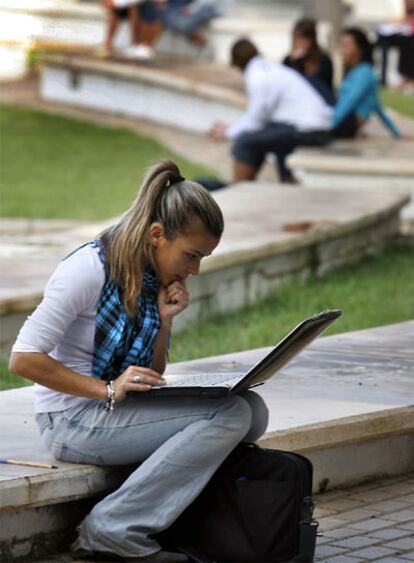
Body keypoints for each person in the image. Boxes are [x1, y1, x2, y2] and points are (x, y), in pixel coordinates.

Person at [9, 160, 269, 562]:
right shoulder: (87, 270)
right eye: (191, 255)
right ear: (156, 235)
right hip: (71, 419)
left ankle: (171, 517)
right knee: (231, 415)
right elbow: (23, 358)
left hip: (114, 408)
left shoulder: (150, 278)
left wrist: (164, 321)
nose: (195, 270)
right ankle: (113, 528)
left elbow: (152, 372)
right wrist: (107, 388)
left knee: (253, 410)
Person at [210, 38, 333, 184]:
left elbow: (256, 120)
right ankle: (253, 186)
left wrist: (228, 132)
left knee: (244, 141)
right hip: (316, 128)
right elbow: (260, 119)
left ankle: (238, 190)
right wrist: (232, 129)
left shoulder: (256, 75)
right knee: (260, 138)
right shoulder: (270, 68)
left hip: (309, 130)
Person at [333, 27, 400, 139]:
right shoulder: (359, 72)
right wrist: (395, 132)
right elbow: (377, 105)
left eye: (347, 45)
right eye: (341, 45)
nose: (342, 50)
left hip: (347, 122)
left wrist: (330, 124)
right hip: (346, 121)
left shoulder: (364, 73)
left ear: (360, 48)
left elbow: (349, 101)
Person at [283, 18, 334, 103]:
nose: (300, 43)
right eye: (297, 39)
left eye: (304, 39)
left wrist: (299, 64)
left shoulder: (324, 61)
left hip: (317, 104)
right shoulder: (288, 60)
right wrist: (294, 63)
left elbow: (321, 86)